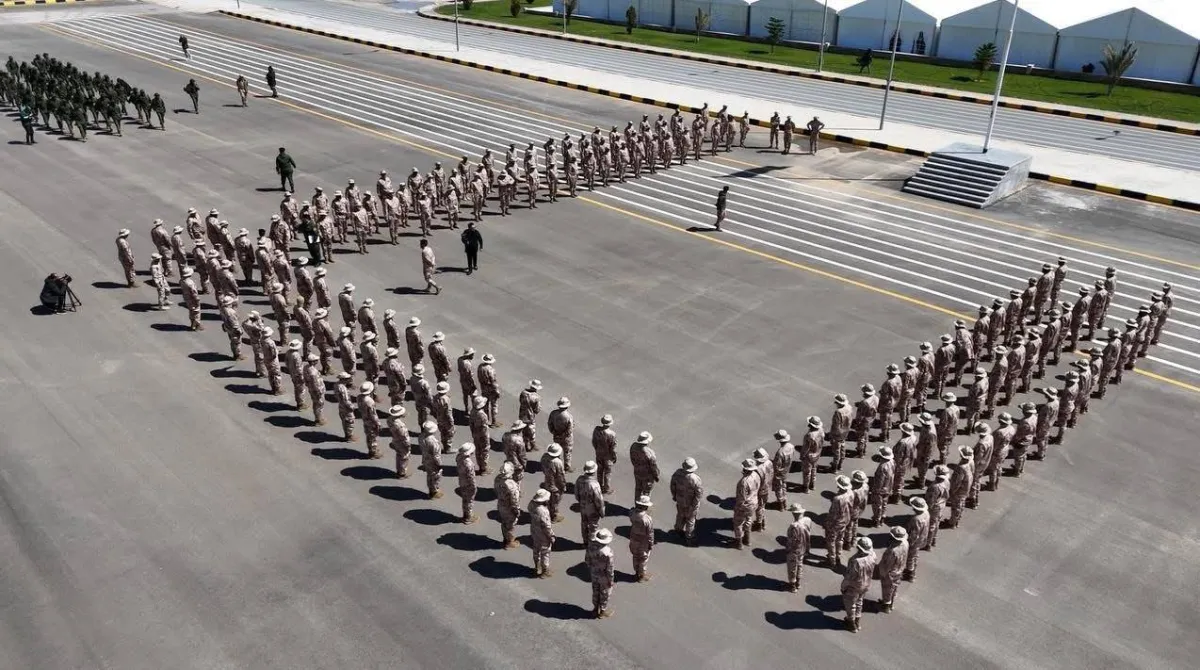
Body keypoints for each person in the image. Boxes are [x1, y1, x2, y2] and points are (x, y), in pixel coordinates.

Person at [841, 537, 877, 633]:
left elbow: (849, 577)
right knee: (860, 602)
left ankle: (851, 623)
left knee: (850, 604)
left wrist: (843, 586)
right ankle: (857, 620)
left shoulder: (855, 561)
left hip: (854, 586)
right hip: (866, 584)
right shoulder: (873, 555)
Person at [784, 502, 811, 593]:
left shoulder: (793, 526)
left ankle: (792, 586)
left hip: (794, 550)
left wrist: (788, 549)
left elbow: (792, 540)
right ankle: (798, 583)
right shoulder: (807, 521)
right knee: (800, 565)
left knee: (792, 567)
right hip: (803, 548)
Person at [589, 528, 616, 618]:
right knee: (604, 592)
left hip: (594, 572)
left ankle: (595, 608)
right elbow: (610, 569)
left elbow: (587, 560)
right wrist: (611, 579)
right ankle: (602, 611)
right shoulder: (608, 553)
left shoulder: (591, 547)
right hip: (604, 575)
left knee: (595, 590)